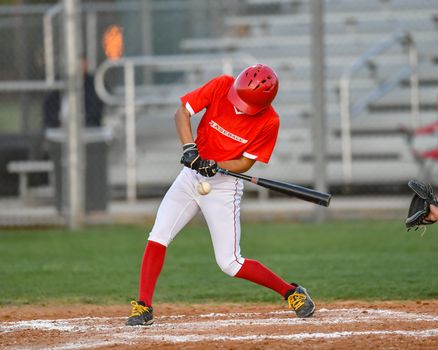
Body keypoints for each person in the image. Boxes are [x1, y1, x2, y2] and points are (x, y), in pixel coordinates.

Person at [125, 64, 315, 326]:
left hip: (224, 186)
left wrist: (218, 164)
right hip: (190, 177)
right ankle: (143, 307)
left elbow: (245, 164)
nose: (238, 106)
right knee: (158, 235)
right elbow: (182, 113)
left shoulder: (270, 121)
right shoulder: (222, 85)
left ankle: (291, 292)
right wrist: (190, 148)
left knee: (230, 263)